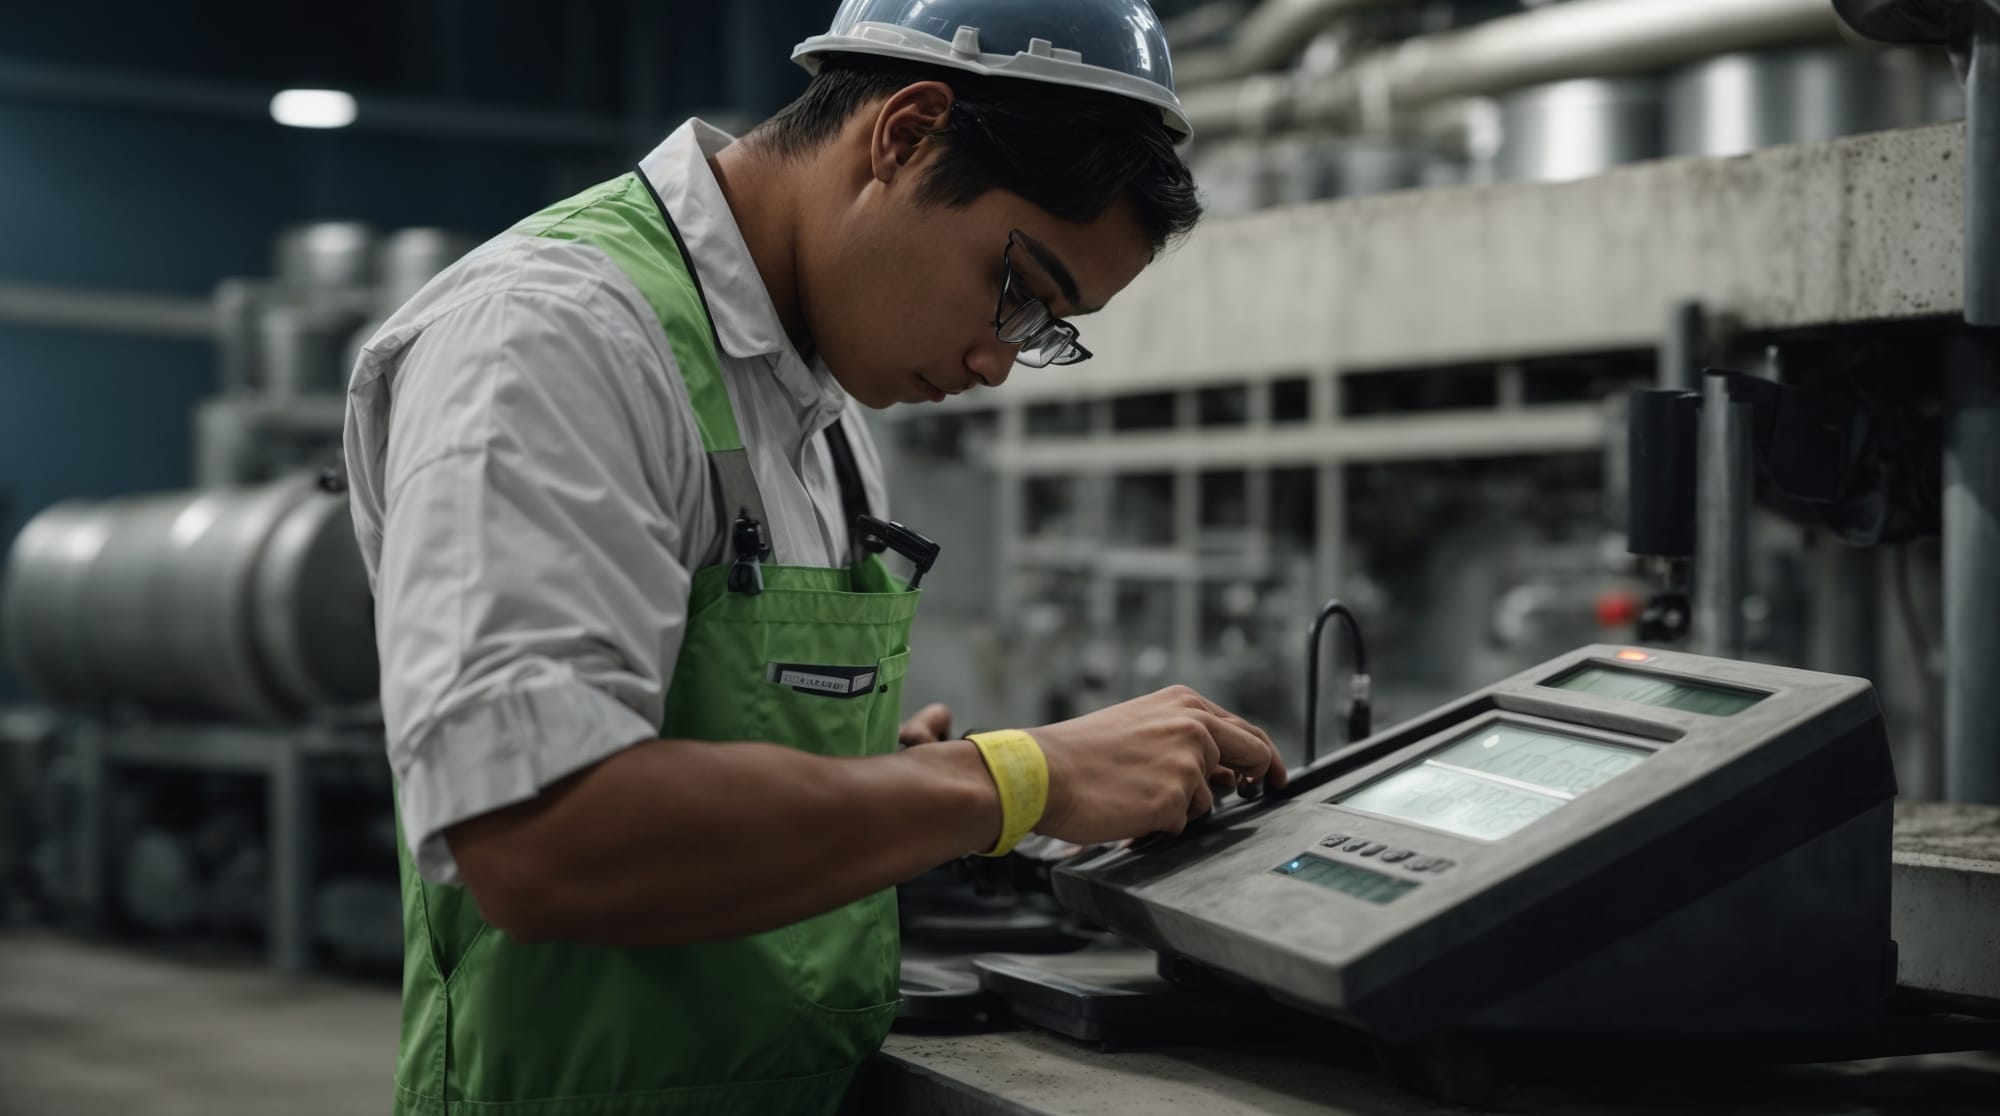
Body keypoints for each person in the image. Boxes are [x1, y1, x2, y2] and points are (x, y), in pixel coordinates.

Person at [342, 2, 1286, 1112]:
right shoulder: (551, 338)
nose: (995, 361)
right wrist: (1015, 780)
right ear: (903, 134)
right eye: (1016, 289)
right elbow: (536, 834)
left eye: (1043, 331)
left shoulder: (823, 418)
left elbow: (682, 731)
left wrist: (874, 769)